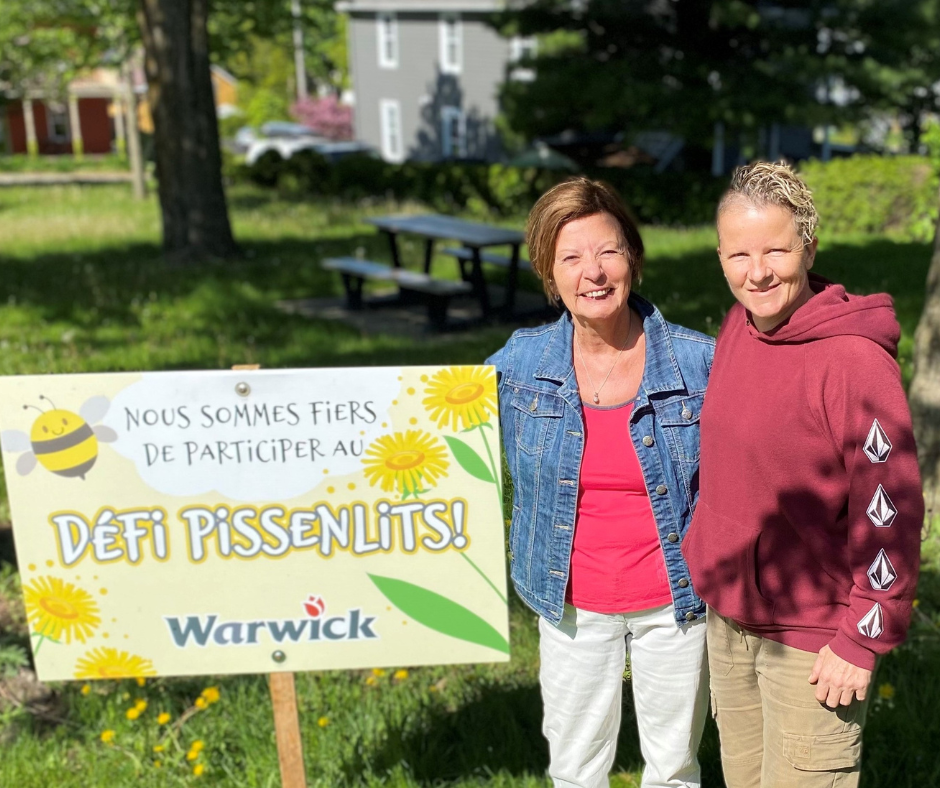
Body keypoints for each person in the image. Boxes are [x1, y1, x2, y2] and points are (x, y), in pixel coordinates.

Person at [682, 161, 923, 788]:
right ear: (720, 256)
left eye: (776, 251)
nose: (757, 272)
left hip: (813, 638)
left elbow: (890, 507)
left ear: (809, 248)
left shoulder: (853, 363)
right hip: (732, 618)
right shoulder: (739, 325)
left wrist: (864, 635)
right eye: (739, 254)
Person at [486, 177, 713, 788]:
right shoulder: (521, 362)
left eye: (608, 251)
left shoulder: (699, 362)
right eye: (571, 258)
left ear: (632, 257)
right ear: (549, 274)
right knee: (575, 769)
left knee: (674, 768)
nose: (594, 272)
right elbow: (433, 419)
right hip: (570, 601)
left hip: (676, 602)